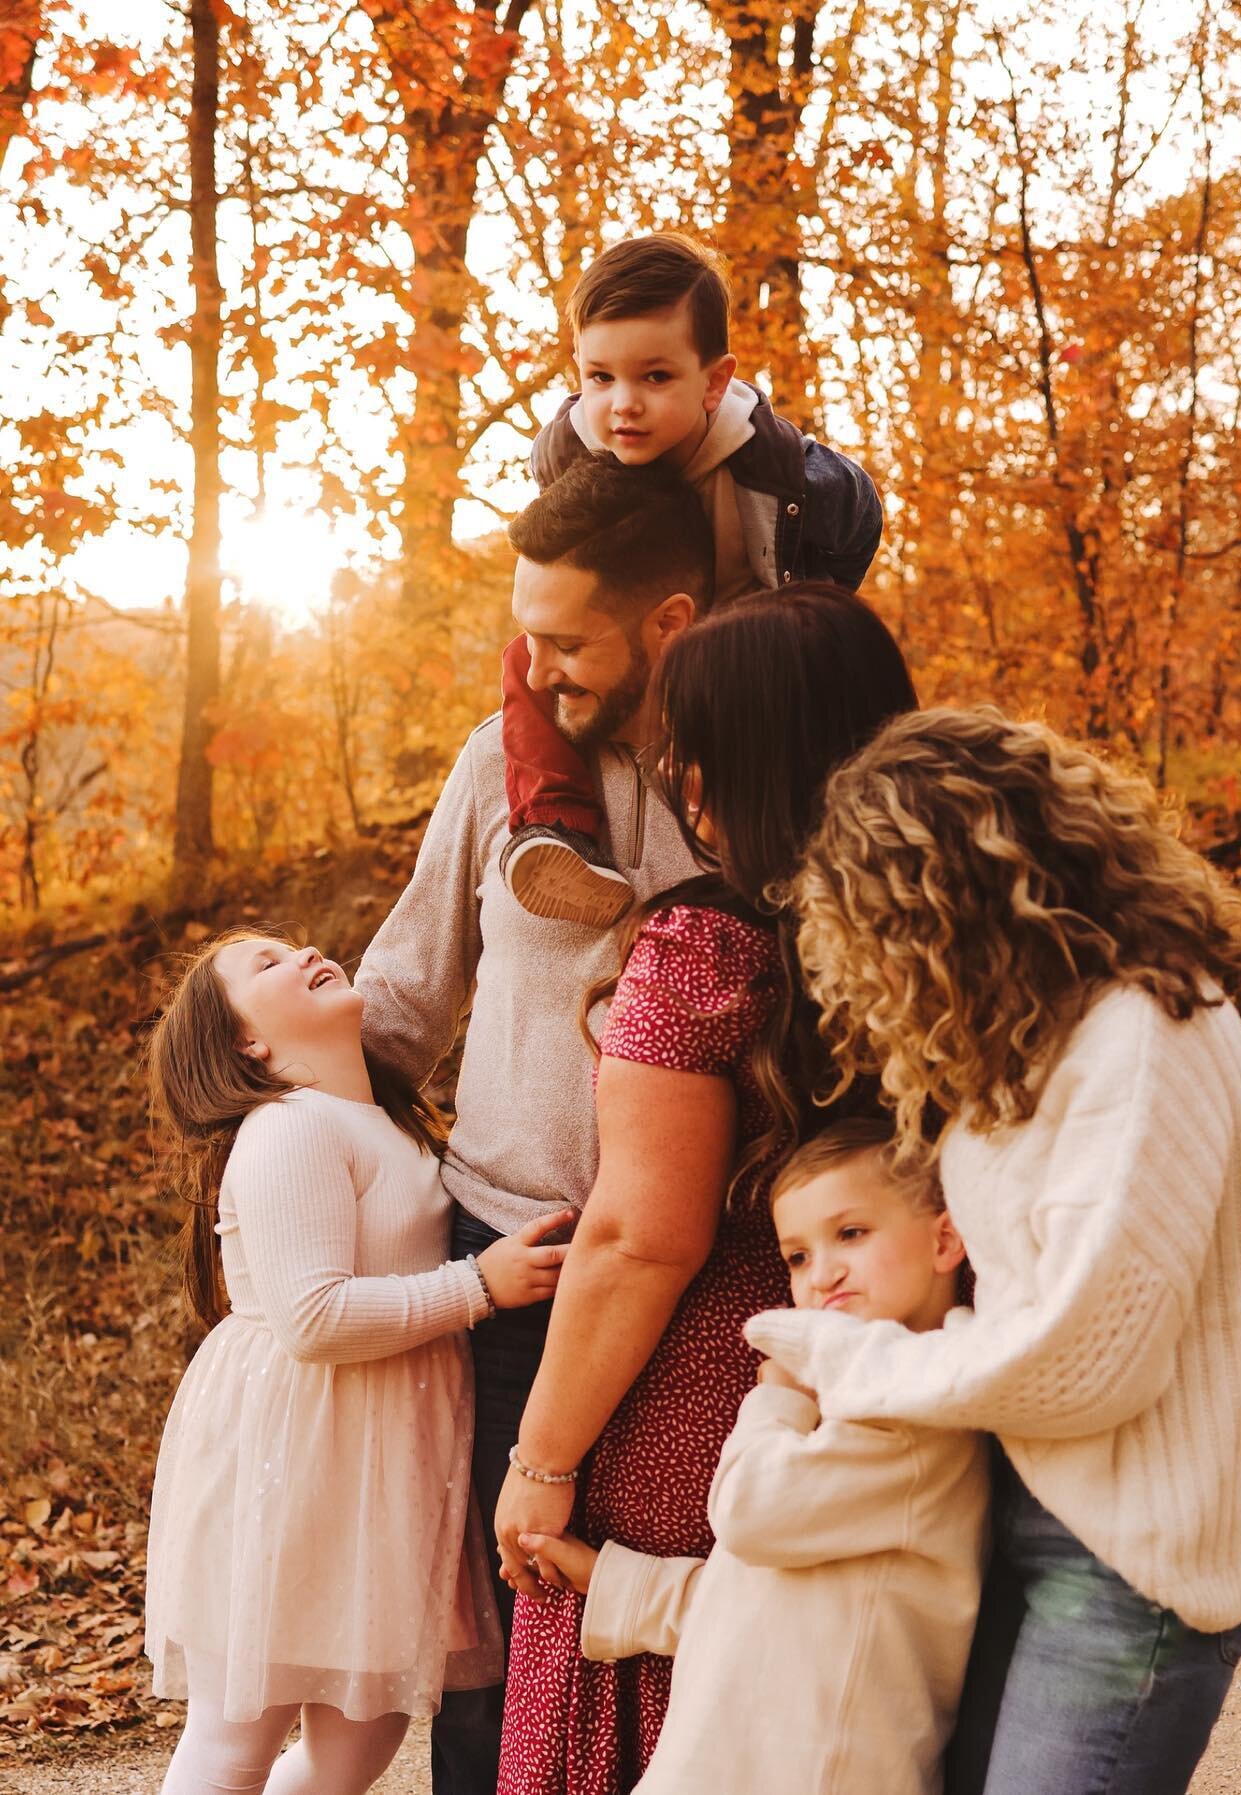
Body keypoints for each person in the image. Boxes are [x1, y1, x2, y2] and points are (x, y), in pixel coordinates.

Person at [748, 707, 1241, 1795]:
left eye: (886, 927)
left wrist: (841, 1356)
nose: (883, 964)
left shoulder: (1147, 1033)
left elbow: (1081, 1362)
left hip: (1128, 1559)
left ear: (957, 895)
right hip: (1034, 1513)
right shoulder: (1044, 1029)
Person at [492, 584, 919, 1795]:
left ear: (736, 762)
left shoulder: (713, 949)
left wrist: (540, 1459)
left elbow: (638, 1235)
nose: (677, 774)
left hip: (696, 1429)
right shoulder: (947, 937)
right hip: (877, 1387)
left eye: (691, 749)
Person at [355, 455, 718, 1795]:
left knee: (665, 1639)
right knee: (500, 1658)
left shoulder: (733, 787)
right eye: (527, 630)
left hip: (694, 1287)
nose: (536, 662)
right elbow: (401, 990)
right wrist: (264, 1108)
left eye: (568, 638)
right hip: (507, 1263)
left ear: (668, 623)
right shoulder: (493, 767)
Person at [143, 930, 567, 1795]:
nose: (300, 951)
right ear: (246, 1044)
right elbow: (313, 1316)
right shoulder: (287, 1129)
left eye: (292, 943)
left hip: (382, 1465)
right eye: (265, 965)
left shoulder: (388, 1125)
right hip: (289, 1460)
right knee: (235, 1739)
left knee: (362, 1743)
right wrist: (478, 1285)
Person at [517, 1118, 988, 1795]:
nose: (821, 1273)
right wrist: (614, 1582)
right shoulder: (867, 1395)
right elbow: (764, 1598)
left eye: (851, 1233)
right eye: (796, 1256)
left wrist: (776, 1395)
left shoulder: (915, 1404)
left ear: (944, 1239)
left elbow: (751, 1514)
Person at [498, 231, 885, 928]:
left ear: (714, 381)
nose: (623, 405)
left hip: (738, 633)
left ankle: (784, 859)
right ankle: (554, 826)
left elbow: (860, 518)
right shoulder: (566, 451)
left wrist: (806, 610)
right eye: (599, 377)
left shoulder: (781, 466)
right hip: (629, 639)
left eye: (655, 377)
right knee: (528, 657)